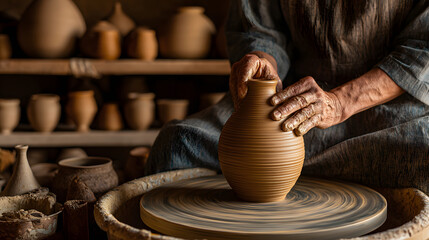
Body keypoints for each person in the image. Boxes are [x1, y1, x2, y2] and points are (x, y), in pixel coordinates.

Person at [145, 0, 429, 194]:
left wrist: (340, 102)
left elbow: (422, 47)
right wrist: (262, 62)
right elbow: (260, 28)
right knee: (177, 144)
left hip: (388, 107)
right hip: (293, 98)